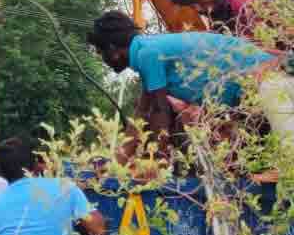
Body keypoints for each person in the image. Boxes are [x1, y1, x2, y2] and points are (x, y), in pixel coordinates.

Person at [86, 10, 291, 151]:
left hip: (267, 80)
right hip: (253, 92)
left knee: (288, 149)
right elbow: (142, 113)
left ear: (112, 50)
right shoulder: (147, 52)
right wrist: (117, 162)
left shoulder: (146, 54)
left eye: (100, 52)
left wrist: (157, 155)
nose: (103, 60)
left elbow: (160, 113)